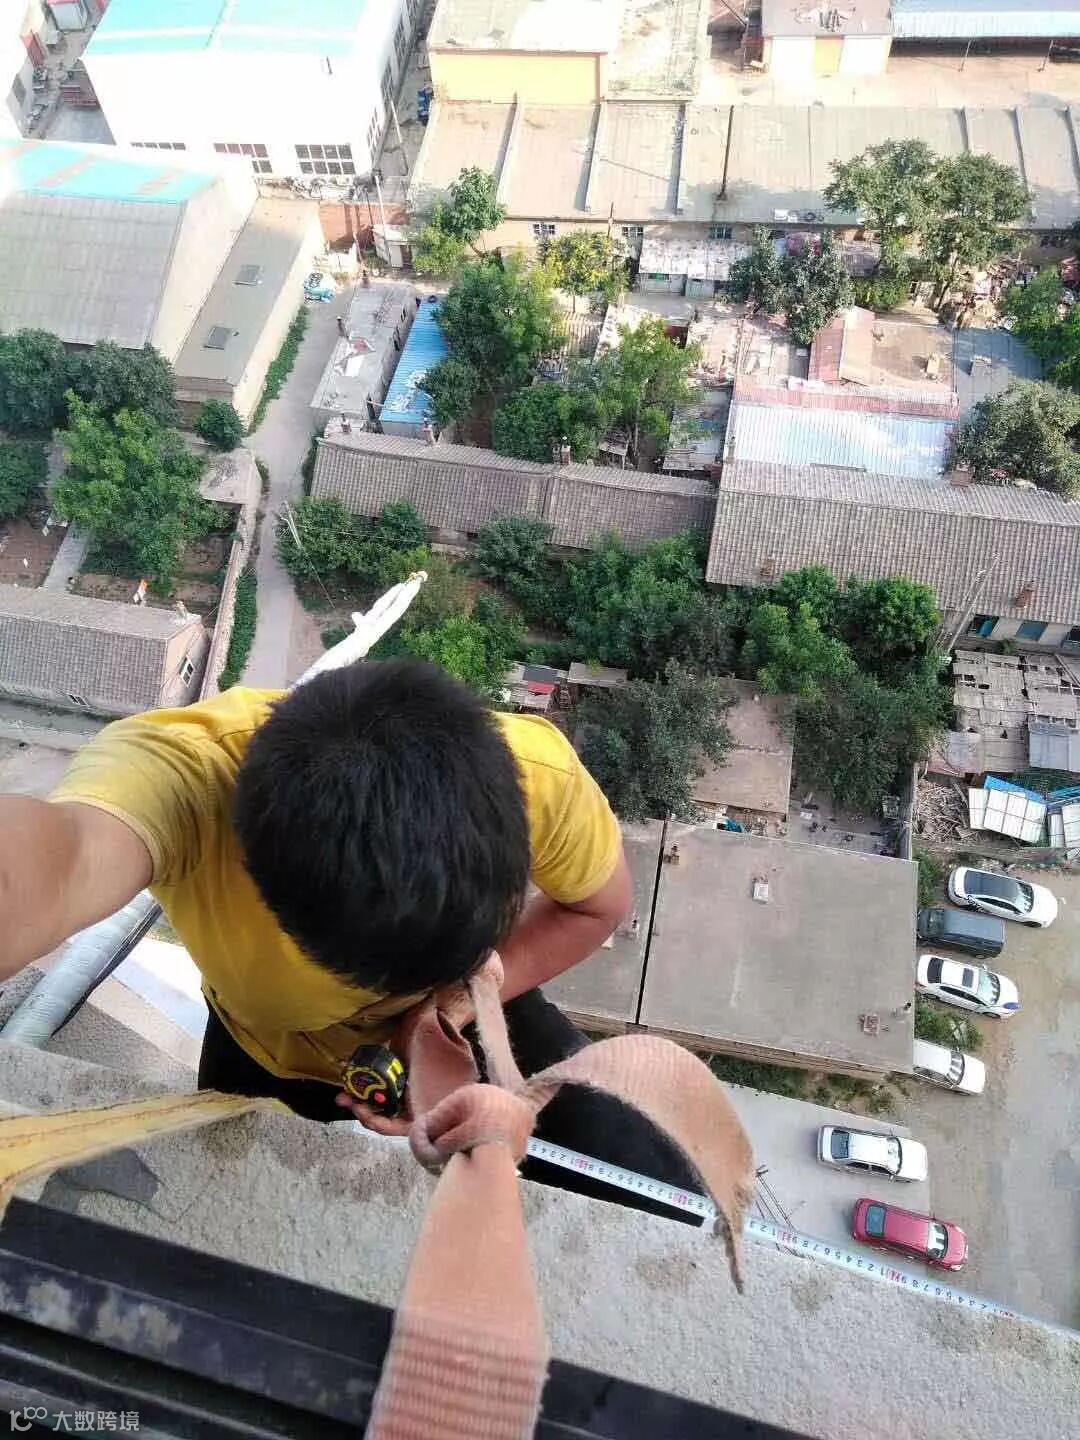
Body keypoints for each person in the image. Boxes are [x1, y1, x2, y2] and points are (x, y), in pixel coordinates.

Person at [0, 661, 699, 1216]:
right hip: (268, 1048)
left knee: (658, 1184)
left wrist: (446, 1010)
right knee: (222, 1207)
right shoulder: (183, 782)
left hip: (478, 998)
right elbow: (61, 860)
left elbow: (595, 908)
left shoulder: (535, 778)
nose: (385, 1004)